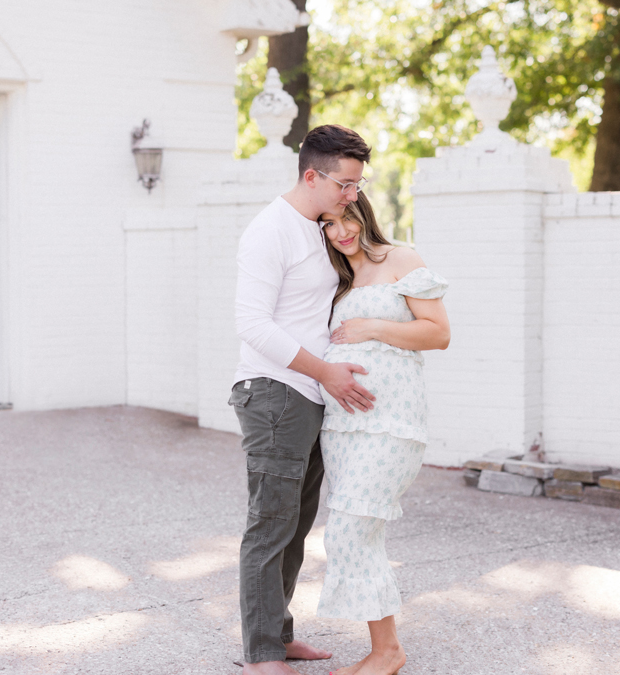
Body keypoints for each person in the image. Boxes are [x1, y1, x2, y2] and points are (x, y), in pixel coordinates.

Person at [229, 125, 378, 675]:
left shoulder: (318, 228)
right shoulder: (270, 230)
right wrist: (327, 374)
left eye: (359, 184)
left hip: (309, 397)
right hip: (274, 395)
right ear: (312, 175)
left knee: (294, 524)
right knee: (270, 523)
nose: (352, 195)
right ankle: (262, 655)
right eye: (345, 183)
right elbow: (252, 325)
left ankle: (277, 635)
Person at [315, 193, 450, 675]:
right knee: (357, 534)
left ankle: (388, 652)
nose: (340, 231)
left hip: (391, 424)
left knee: (352, 530)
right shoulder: (340, 282)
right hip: (345, 429)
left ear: (363, 210)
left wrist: (371, 326)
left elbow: (438, 333)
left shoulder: (402, 258)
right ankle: (380, 649)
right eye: (327, 225)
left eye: (344, 217)